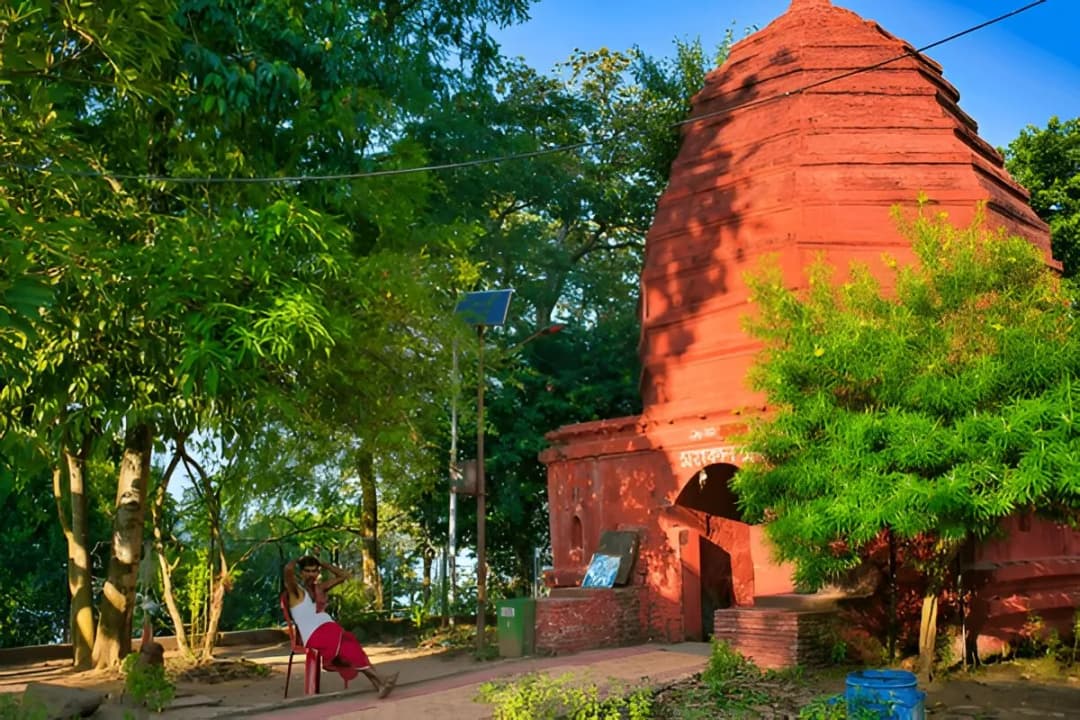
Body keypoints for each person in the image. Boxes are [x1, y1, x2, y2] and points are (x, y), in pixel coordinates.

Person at [283, 555, 397, 698]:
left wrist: (323, 564)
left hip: (329, 630)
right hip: (314, 635)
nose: (311, 575)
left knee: (351, 643)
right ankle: (380, 680)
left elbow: (344, 576)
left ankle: (379, 684)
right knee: (345, 645)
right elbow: (288, 569)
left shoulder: (319, 588)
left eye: (314, 571)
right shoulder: (296, 591)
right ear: (301, 573)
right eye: (307, 571)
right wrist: (298, 560)